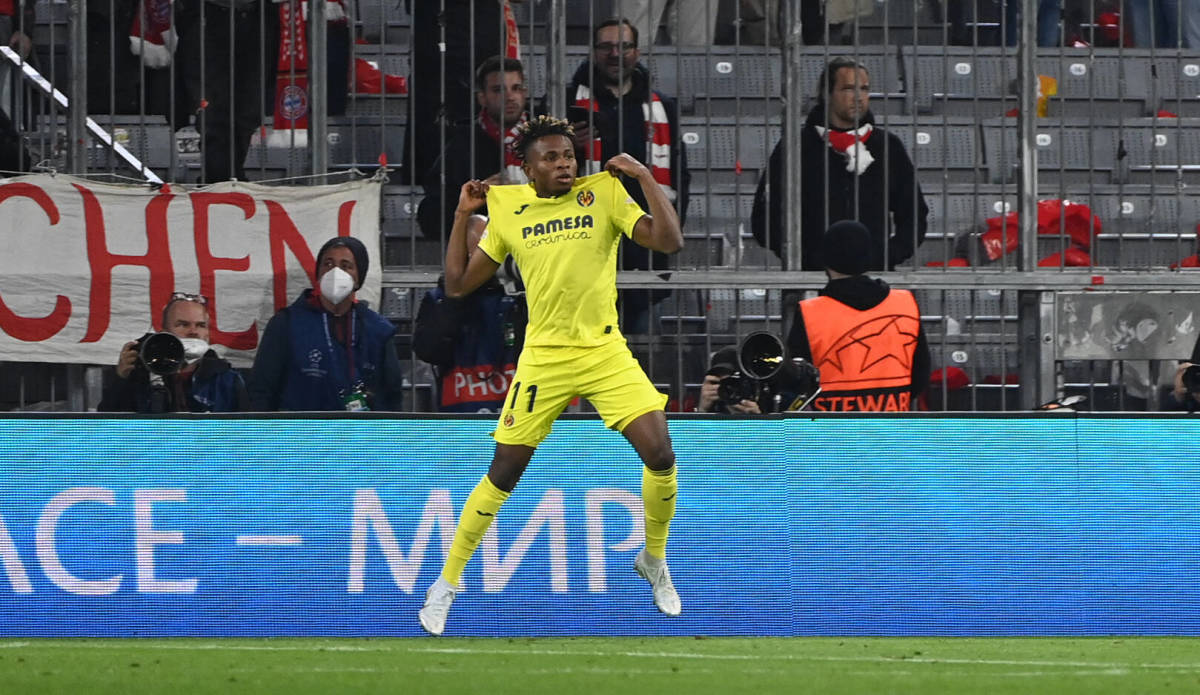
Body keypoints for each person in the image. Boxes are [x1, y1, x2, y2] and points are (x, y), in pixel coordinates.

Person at [417, 115, 685, 636]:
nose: (564, 163)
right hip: (544, 356)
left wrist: (644, 177)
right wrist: (460, 216)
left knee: (661, 452)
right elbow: (456, 285)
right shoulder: (510, 210)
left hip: (605, 349)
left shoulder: (605, 194)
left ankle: (653, 560)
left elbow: (669, 242)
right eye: (551, 157)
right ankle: (446, 583)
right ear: (527, 167)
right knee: (505, 471)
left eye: (568, 155)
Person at [567, 17, 690, 333]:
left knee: (642, 360)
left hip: (644, 252)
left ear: (637, 52)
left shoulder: (664, 107)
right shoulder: (566, 102)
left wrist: (666, 230)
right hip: (582, 248)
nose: (615, 54)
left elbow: (680, 179)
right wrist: (570, 147)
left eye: (624, 46)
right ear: (593, 52)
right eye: (606, 46)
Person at [751, 56, 928, 271]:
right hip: (810, 278)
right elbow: (765, 217)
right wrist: (805, 258)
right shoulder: (796, 147)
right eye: (848, 89)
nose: (859, 97)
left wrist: (886, 256)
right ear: (827, 94)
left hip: (873, 278)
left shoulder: (888, 146)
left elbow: (913, 213)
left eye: (864, 89)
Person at [786, 220, 930, 412]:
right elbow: (921, 373)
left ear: (826, 260)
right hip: (892, 426)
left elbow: (795, 378)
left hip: (831, 432)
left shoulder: (810, 311)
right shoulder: (904, 303)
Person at [248, 236, 404, 411]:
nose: (335, 272)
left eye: (346, 266)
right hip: (299, 434)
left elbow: (392, 396)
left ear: (358, 279)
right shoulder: (286, 323)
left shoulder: (377, 330)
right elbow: (261, 390)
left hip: (358, 434)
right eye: (328, 264)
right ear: (318, 273)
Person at [402, 0, 524, 185]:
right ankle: (433, 189)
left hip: (480, 27)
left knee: (481, 103)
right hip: (440, 26)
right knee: (435, 111)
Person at [412, 222, 527, 413]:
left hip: (514, 415)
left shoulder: (518, 298)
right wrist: (457, 295)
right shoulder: (439, 300)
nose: (486, 260)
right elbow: (429, 351)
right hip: (459, 422)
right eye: (479, 253)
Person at [418, 55, 534, 240]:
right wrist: (472, 198)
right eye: (498, 90)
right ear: (482, 98)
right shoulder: (460, 144)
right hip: (481, 251)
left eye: (516, 88)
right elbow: (431, 216)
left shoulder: (544, 138)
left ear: (525, 92)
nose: (510, 97)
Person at [174, 0, 279, 183]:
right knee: (213, 110)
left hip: (258, 15)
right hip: (208, 14)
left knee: (249, 109)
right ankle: (218, 182)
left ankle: (230, 178)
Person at [98, 292, 248, 413]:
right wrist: (121, 379)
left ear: (208, 333)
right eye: (183, 324)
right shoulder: (139, 375)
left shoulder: (227, 380)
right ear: (164, 332)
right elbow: (107, 429)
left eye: (201, 325)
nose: (193, 332)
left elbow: (246, 436)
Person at [695, 346, 762, 414]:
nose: (728, 387)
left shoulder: (763, 400)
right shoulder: (714, 406)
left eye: (733, 382)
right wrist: (702, 410)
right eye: (721, 381)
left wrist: (756, 419)